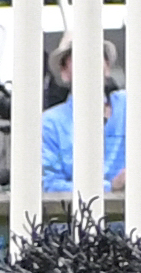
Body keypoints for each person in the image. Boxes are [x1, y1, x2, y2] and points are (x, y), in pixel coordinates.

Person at [38, 34, 129, 196]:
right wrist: (110, 188)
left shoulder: (129, 105)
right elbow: (49, 185)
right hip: (74, 219)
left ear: (107, 67)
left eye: (95, 55)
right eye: (78, 57)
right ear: (64, 72)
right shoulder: (50, 123)